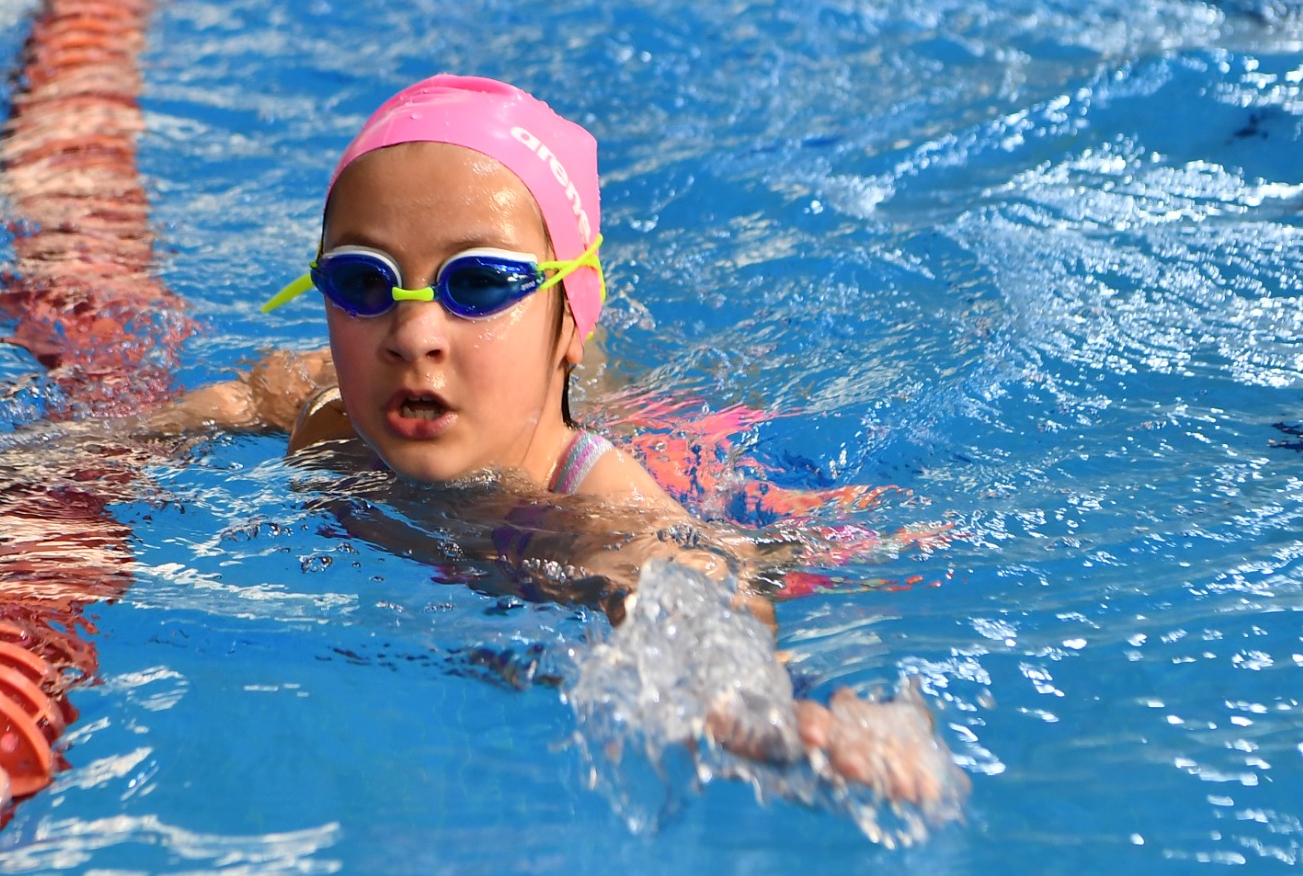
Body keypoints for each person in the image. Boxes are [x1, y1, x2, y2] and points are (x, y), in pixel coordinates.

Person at [139, 74, 961, 810]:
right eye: (363, 280)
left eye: (480, 282)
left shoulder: (588, 509)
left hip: (701, 465)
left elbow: (694, 575)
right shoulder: (329, 415)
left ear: (569, 316)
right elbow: (243, 395)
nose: (412, 332)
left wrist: (763, 707)